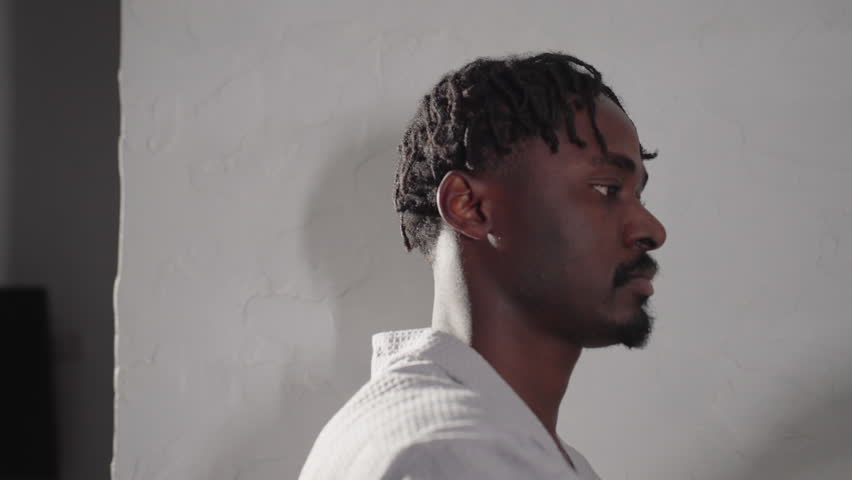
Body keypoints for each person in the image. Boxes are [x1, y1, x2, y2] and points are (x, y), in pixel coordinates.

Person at [299, 51, 667, 479]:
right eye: (606, 188)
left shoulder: (470, 441)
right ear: (469, 206)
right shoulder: (457, 456)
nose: (652, 229)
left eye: (638, 194)